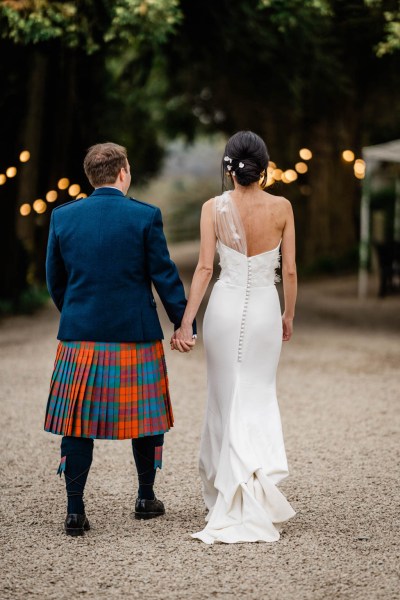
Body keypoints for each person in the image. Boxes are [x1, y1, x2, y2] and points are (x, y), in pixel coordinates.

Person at [45, 142, 195, 536]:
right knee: (146, 418)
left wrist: (79, 313)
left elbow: (55, 281)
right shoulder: (144, 216)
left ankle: (75, 511)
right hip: (136, 336)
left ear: (90, 176)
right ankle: (146, 497)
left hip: (80, 337)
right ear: (124, 173)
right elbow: (164, 276)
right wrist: (184, 323)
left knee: (76, 423)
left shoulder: (63, 217)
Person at [172, 131, 296, 544]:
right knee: (258, 394)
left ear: (229, 168)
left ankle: (229, 489)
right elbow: (291, 271)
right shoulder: (282, 207)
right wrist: (288, 313)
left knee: (225, 396)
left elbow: (205, 269)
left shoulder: (213, 208)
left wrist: (187, 321)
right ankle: (254, 488)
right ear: (265, 165)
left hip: (223, 312)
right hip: (263, 310)